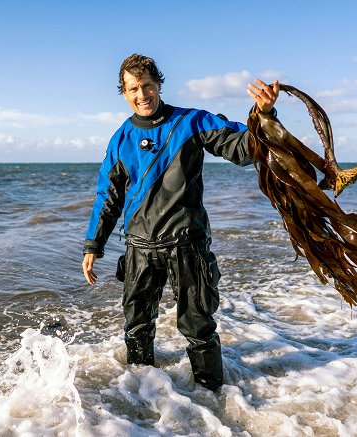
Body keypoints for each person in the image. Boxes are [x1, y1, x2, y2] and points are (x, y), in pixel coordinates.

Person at [82, 53, 279, 391]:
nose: (142, 95)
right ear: (124, 93)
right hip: (139, 251)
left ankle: (212, 400)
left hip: (187, 247)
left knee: (198, 329)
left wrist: (264, 115)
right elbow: (108, 198)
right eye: (133, 89)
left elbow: (244, 150)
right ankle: (142, 401)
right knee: (137, 327)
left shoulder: (192, 122)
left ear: (158, 85)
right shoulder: (120, 140)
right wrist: (93, 246)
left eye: (147, 86)